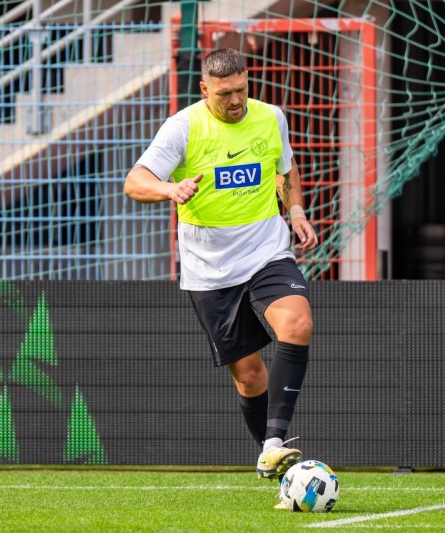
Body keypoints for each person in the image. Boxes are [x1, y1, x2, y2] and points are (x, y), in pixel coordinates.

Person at [123, 48, 318, 483]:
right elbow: (135, 182)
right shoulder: (183, 127)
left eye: (241, 90)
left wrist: (296, 210)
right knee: (248, 375)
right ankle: (273, 462)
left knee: (297, 323)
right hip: (209, 268)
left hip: (267, 251)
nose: (235, 101)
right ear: (204, 89)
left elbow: (285, 170)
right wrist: (170, 189)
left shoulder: (271, 117)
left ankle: (274, 444)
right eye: (225, 93)